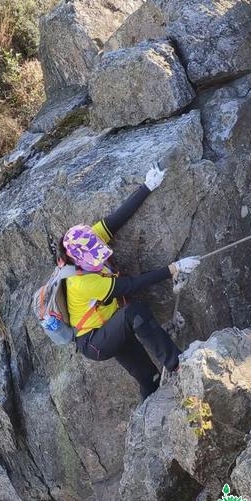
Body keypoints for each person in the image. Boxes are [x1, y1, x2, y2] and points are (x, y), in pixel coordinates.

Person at [60, 164, 199, 400]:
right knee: (135, 312)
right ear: (78, 259)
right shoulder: (81, 283)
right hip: (95, 342)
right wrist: (174, 268)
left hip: (108, 327)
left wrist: (147, 186)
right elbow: (130, 286)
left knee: (150, 379)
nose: (98, 261)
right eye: (93, 259)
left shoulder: (84, 240)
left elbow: (116, 220)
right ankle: (177, 363)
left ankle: (147, 421)